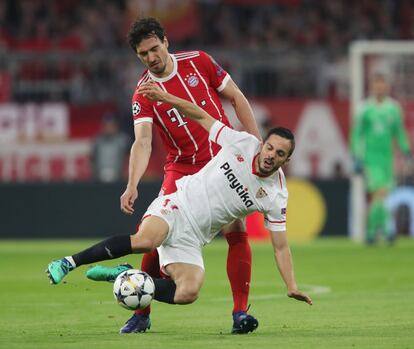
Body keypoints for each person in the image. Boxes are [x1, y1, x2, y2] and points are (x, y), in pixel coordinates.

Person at [47, 83, 312, 334]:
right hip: (177, 204)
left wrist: (291, 286)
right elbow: (199, 114)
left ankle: (128, 275)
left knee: (188, 292)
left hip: (194, 238)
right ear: (263, 143)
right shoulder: (241, 143)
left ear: (287, 160)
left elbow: (280, 246)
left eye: (279, 154)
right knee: (145, 241)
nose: (270, 155)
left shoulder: (276, 195)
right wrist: (165, 97)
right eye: (269, 147)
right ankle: (69, 262)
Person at [117, 17, 262, 333]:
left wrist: (256, 146)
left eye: (155, 49)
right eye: (144, 54)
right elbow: (143, 141)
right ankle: (141, 313)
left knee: (235, 229)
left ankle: (240, 313)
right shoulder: (143, 94)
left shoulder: (199, 61)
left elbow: (237, 98)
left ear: (166, 41)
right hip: (182, 168)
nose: (151, 57)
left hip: (222, 159)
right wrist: (132, 183)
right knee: (153, 238)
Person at [351, 72, 411, 244]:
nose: (380, 87)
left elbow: (399, 132)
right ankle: (386, 228)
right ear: (372, 87)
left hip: (388, 159)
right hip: (370, 159)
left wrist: (406, 151)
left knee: (381, 197)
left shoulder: (394, 108)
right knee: (380, 193)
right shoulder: (365, 109)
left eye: (382, 84)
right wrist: (356, 156)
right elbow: (357, 134)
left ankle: (371, 231)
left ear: (387, 87)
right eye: (377, 84)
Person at [91, 114, 130, 182]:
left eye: (111, 126)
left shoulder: (123, 140)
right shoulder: (97, 141)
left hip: (118, 178)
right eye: (106, 126)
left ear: (116, 126)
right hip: (99, 179)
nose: (108, 128)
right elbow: (92, 159)